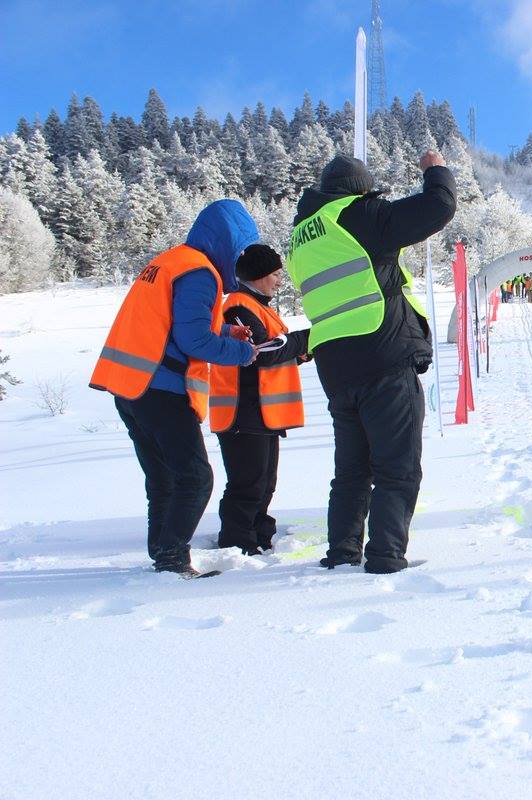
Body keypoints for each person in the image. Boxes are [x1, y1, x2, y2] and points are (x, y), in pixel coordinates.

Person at [288, 151, 456, 573]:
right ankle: (384, 557)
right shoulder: (357, 216)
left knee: (351, 471)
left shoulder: (302, 237)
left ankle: (342, 553)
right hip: (383, 354)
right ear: (360, 191)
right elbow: (438, 206)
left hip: (336, 368)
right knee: (397, 467)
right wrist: (435, 169)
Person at [89, 200, 259, 577]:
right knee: (196, 479)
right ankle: (171, 557)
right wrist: (242, 352)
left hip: (131, 388)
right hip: (161, 390)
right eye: (241, 248)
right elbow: (193, 340)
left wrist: (226, 330)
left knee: (164, 479)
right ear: (227, 241)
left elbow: (173, 322)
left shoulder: (171, 261)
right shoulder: (200, 273)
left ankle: (162, 554)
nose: (241, 257)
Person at [209, 244, 312, 555]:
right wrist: (306, 339)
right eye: (275, 274)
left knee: (265, 482)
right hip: (242, 411)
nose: (280, 281)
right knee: (248, 483)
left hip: (264, 411)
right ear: (257, 275)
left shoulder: (259, 307)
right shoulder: (238, 307)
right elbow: (262, 353)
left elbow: (277, 351)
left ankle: (258, 535)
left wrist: (301, 352)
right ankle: (237, 542)